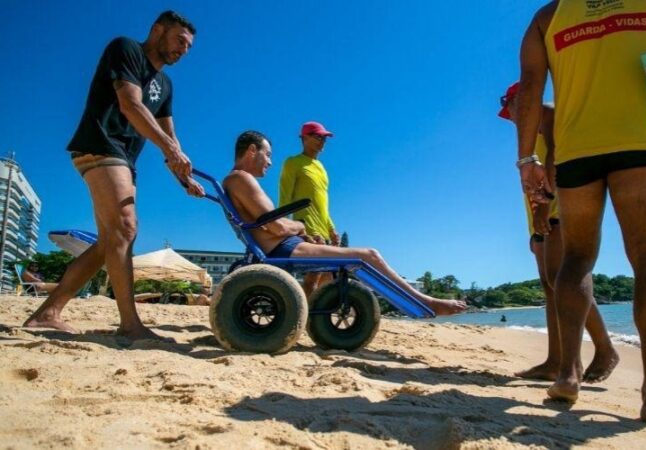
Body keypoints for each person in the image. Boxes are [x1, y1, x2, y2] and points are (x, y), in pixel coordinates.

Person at [516, 0, 646, 424]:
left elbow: (530, 86)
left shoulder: (548, 18)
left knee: (576, 257)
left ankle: (568, 374)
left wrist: (526, 159)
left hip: (576, 151)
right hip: (642, 146)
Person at [24, 11, 205, 340]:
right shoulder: (126, 49)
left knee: (110, 241)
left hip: (122, 159)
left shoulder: (165, 85)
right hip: (100, 145)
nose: (184, 49)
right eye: (180, 40)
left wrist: (184, 177)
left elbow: (170, 137)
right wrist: (172, 151)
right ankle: (130, 325)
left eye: (189, 47)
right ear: (157, 30)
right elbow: (130, 105)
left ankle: (47, 313)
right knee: (126, 226)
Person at [224, 130, 467, 316]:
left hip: (284, 245)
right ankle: (425, 302)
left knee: (348, 266)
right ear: (252, 151)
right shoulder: (241, 179)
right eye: (267, 154)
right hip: (284, 248)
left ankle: (318, 315)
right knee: (369, 255)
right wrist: (300, 227)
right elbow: (277, 227)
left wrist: (301, 232)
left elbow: (270, 225)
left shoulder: (236, 181)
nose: (269, 161)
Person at [498, 83, 618, 382]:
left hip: (559, 206)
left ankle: (603, 349)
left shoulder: (549, 113)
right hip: (541, 214)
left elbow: (556, 157)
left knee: (563, 280)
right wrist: (533, 229)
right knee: (551, 287)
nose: (510, 118)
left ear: (522, 99)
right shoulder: (529, 132)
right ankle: (556, 361)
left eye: (509, 108)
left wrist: (546, 203)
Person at [279, 121, 338, 297]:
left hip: (324, 231)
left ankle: (315, 313)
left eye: (324, 138)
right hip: (307, 228)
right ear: (304, 138)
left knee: (328, 275)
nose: (322, 141)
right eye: (318, 137)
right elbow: (285, 200)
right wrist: (287, 231)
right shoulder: (293, 163)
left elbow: (322, 203)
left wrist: (332, 228)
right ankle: (303, 317)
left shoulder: (321, 168)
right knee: (314, 276)